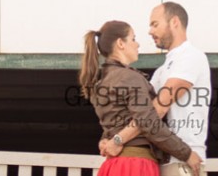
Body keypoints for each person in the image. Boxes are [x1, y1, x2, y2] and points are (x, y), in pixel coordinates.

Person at [80, 20, 203, 176]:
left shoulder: (101, 82)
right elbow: (149, 123)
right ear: (120, 44)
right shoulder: (130, 78)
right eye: (133, 39)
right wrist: (186, 153)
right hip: (136, 166)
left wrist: (107, 140)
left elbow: (116, 121)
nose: (137, 44)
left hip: (113, 166)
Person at [102, 3, 211, 172]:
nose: (150, 31)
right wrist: (107, 137)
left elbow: (157, 109)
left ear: (174, 22)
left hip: (184, 160)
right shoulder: (162, 70)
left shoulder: (191, 57)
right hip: (162, 159)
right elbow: (138, 112)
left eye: (155, 24)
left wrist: (117, 139)